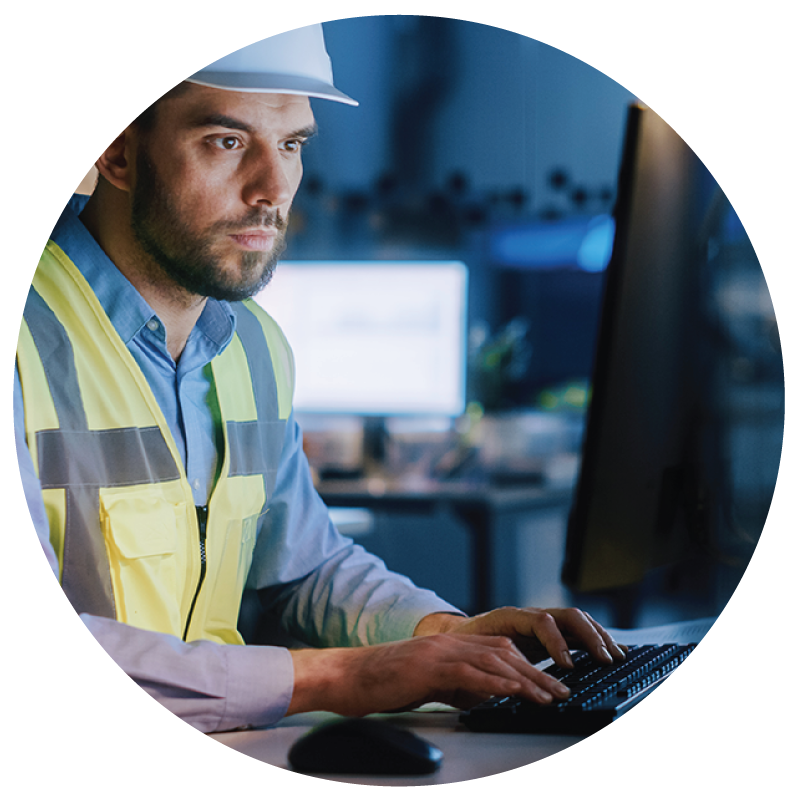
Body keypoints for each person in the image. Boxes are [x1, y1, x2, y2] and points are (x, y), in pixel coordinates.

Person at [15, 25, 625, 733]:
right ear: (118, 151)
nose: (274, 189)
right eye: (227, 141)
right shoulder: (30, 344)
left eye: (293, 144)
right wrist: (348, 676)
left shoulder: (253, 347)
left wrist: (439, 633)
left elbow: (304, 567)